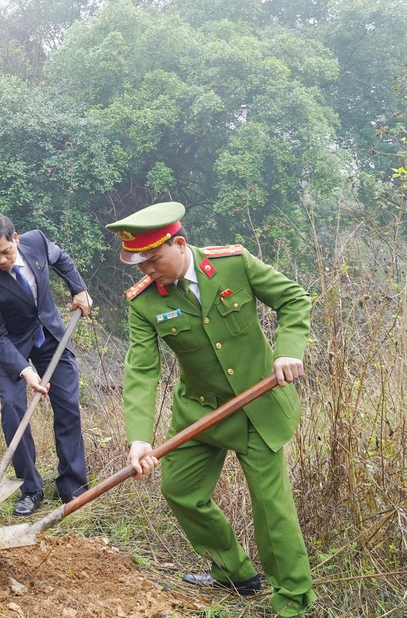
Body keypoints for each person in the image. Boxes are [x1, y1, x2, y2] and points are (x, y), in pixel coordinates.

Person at [106, 201, 315, 616]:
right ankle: (234, 572)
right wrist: (139, 438)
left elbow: (294, 299)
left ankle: (292, 599)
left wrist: (288, 350)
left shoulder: (234, 264)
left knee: (271, 507)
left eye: (152, 260)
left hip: (258, 405)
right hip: (198, 412)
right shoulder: (144, 302)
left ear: (179, 243)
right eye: (139, 264)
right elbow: (142, 372)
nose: (147, 271)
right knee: (180, 490)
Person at [0, 213, 92, 516]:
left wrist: (79, 288)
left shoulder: (37, 242)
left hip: (50, 335)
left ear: (16, 239)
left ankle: (73, 488)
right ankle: (31, 488)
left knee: (67, 406)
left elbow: (62, 259)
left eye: (6, 252)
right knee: (12, 410)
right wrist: (25, 371)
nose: (2, 260)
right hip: (10, 345)